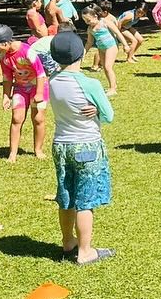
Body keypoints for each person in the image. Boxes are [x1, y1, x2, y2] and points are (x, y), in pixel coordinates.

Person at [46, 30, 116, 265]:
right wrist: (97, 110)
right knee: (85, 201)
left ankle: (68, 241)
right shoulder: (90, 83)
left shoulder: (52, 81)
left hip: (61, 145)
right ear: (81, 55)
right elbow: (109, 115)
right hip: (87, 146)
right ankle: (85, 251)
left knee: (66, 196)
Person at [0, 23, 48, 163]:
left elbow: (40, 73)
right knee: (16, 119)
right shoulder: (4, 57)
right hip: (20, 88)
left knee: (38, 119)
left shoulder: (27, 52)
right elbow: (7, 77)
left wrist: (38, 93)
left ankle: (38, 150)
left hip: (38, 86)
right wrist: (6, 96)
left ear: (6, 41)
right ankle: (12, 153)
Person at [81, 4, 128, 96]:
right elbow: (89, 43)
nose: (87, 22)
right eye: (85, 21)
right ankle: (112, 85)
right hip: (101, 48)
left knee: (107, 67)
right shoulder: (90, 28)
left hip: (111, 46)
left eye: (88, 20)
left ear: (95, 16)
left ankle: (113, 89)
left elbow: (117, 33)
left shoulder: (105, 23)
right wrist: (83, 52)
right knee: (105, 69)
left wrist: (125, 45)